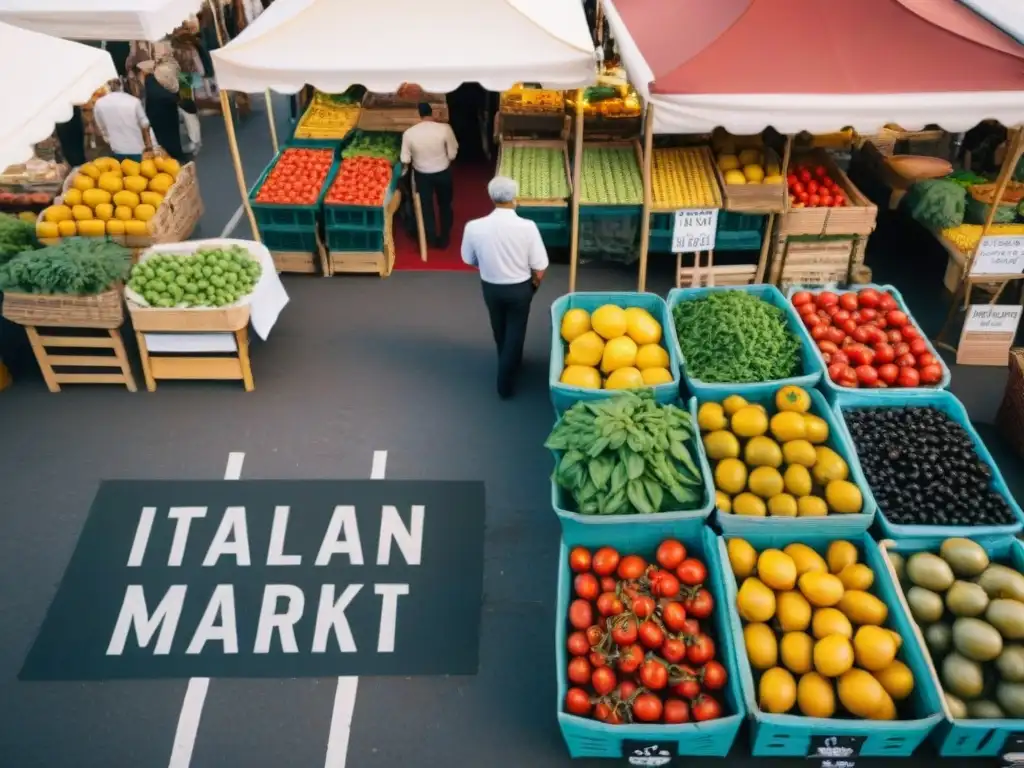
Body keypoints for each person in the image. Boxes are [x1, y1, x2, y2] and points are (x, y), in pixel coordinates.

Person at [462, 176, 548, 399]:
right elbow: (540, 265)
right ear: (515, 198)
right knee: (516, 331)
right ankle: (505, 381)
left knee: (498, 327)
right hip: (520, 288)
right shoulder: (528, 227)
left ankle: (505, 360)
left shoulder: (474, 227)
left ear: (491, 197)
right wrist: (533, 287)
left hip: (491, 287)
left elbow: (468, 259)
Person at [401, 103, 458, 248]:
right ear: (431, 113)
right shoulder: (445, 129)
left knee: (426, 207)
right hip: (443, 171)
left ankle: (430, 237)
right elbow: (453, 152)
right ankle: (444, 237)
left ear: (419, 115)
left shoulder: (409, 133)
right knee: (445, 204)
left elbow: (405, 159)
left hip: (422, 174)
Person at [92, 79, 153, 162]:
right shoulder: (134, 101)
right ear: (122, 85)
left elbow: (100, 128)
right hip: (137, 149)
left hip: (117, 149)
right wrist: (148, 144)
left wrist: (108, 139)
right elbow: (145, 124)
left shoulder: (99, 103)